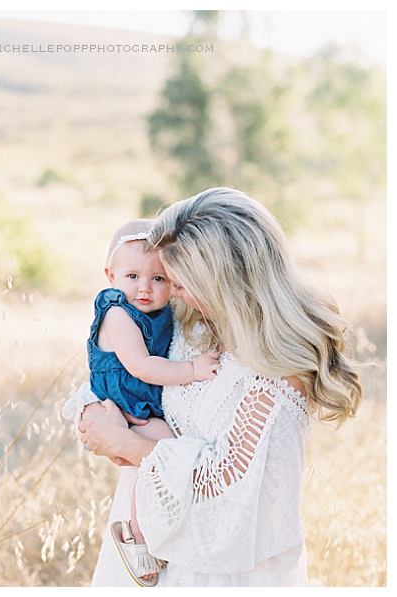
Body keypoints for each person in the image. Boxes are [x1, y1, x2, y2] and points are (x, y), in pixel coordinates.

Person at [72, 187, 361, 586]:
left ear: (227, 280)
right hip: (149, 539)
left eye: (182, 283)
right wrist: (94, 415)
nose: (172, 294)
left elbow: (227, 481)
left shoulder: (278, 369)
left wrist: (125, 444)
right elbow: (120, 374)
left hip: (221, 571)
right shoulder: (193, 325)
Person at [64, 218, 218, 585]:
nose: (145, 288)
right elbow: (142, 366)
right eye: (132, 276)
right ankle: (137, 532)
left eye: (159, 279)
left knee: (157, 453)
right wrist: (193, 370)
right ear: (110, 275)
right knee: (162, 449)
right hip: (126, 404)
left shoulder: (164, 314)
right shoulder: (117, 314)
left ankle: (146, 525)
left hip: (140, 404)